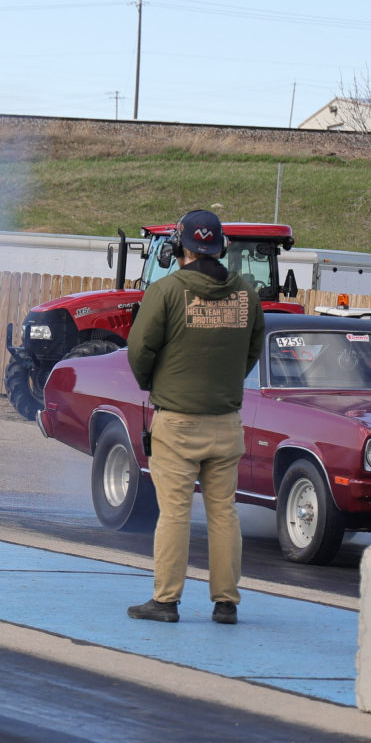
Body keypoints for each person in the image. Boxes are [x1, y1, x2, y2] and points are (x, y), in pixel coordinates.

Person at [123, 209, 264, 625]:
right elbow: (252, 350)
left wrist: (154, 383)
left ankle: (166, 601)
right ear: (222, 247)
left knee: (174, 514)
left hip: (177, 421)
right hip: (227, 420)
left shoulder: (166, 291)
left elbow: (139, 350)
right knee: (224, 513)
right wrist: (225, 382)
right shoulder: (247, 294)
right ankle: (226, 603)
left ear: (178, 246)